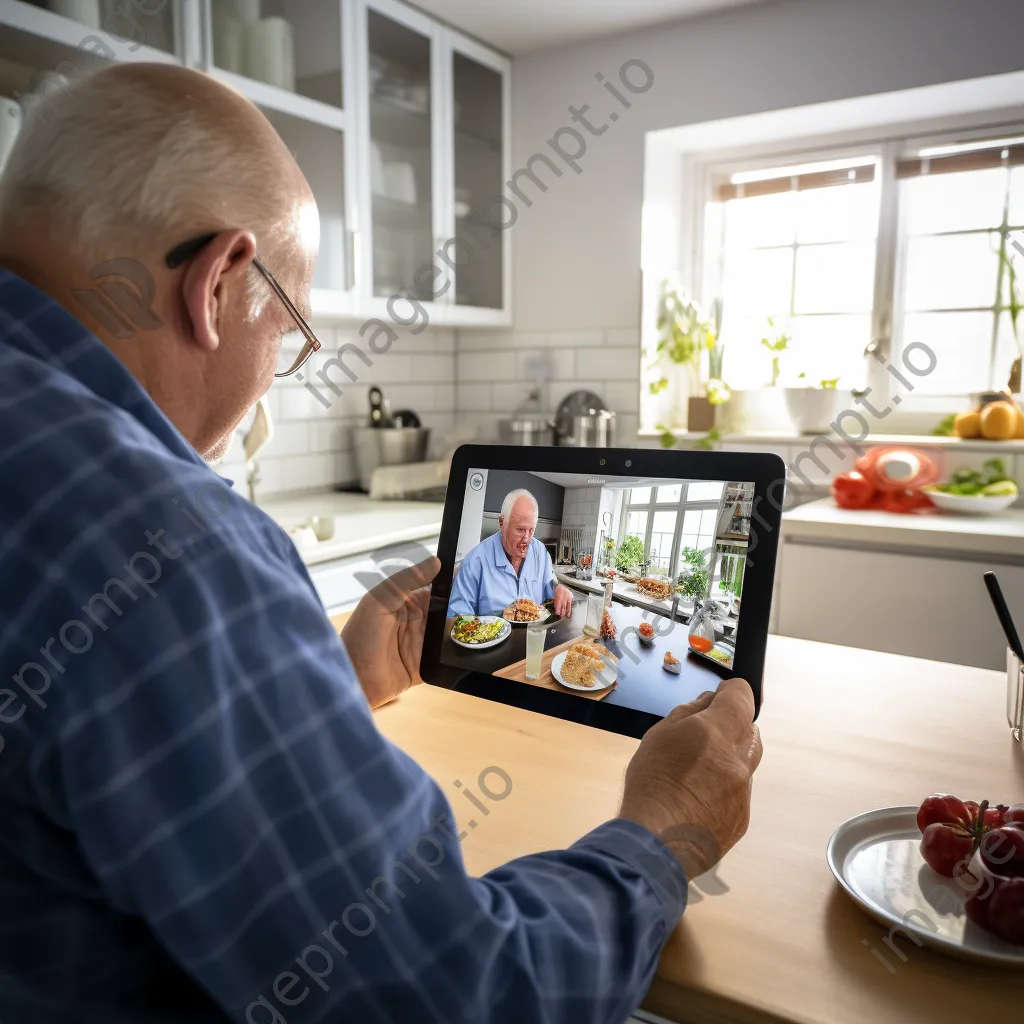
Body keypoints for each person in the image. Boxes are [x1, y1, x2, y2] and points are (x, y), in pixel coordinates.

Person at [0, 64, 762, 1024]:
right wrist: (665, 831)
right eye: (291, 331)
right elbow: (455, 997)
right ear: (219, 282)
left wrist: (326, 682)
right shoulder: (170, 545)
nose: (275, 371)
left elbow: (94, 749)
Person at [448, 488, 574, 618]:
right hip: (491, 637)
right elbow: (457, 616)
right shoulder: (475, 560)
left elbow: (549, 584)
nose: (526, 539)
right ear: (502, 522)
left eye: (531, 530)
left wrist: (558, 589)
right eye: (520, 529)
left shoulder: (541, 553)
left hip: (534, 633)